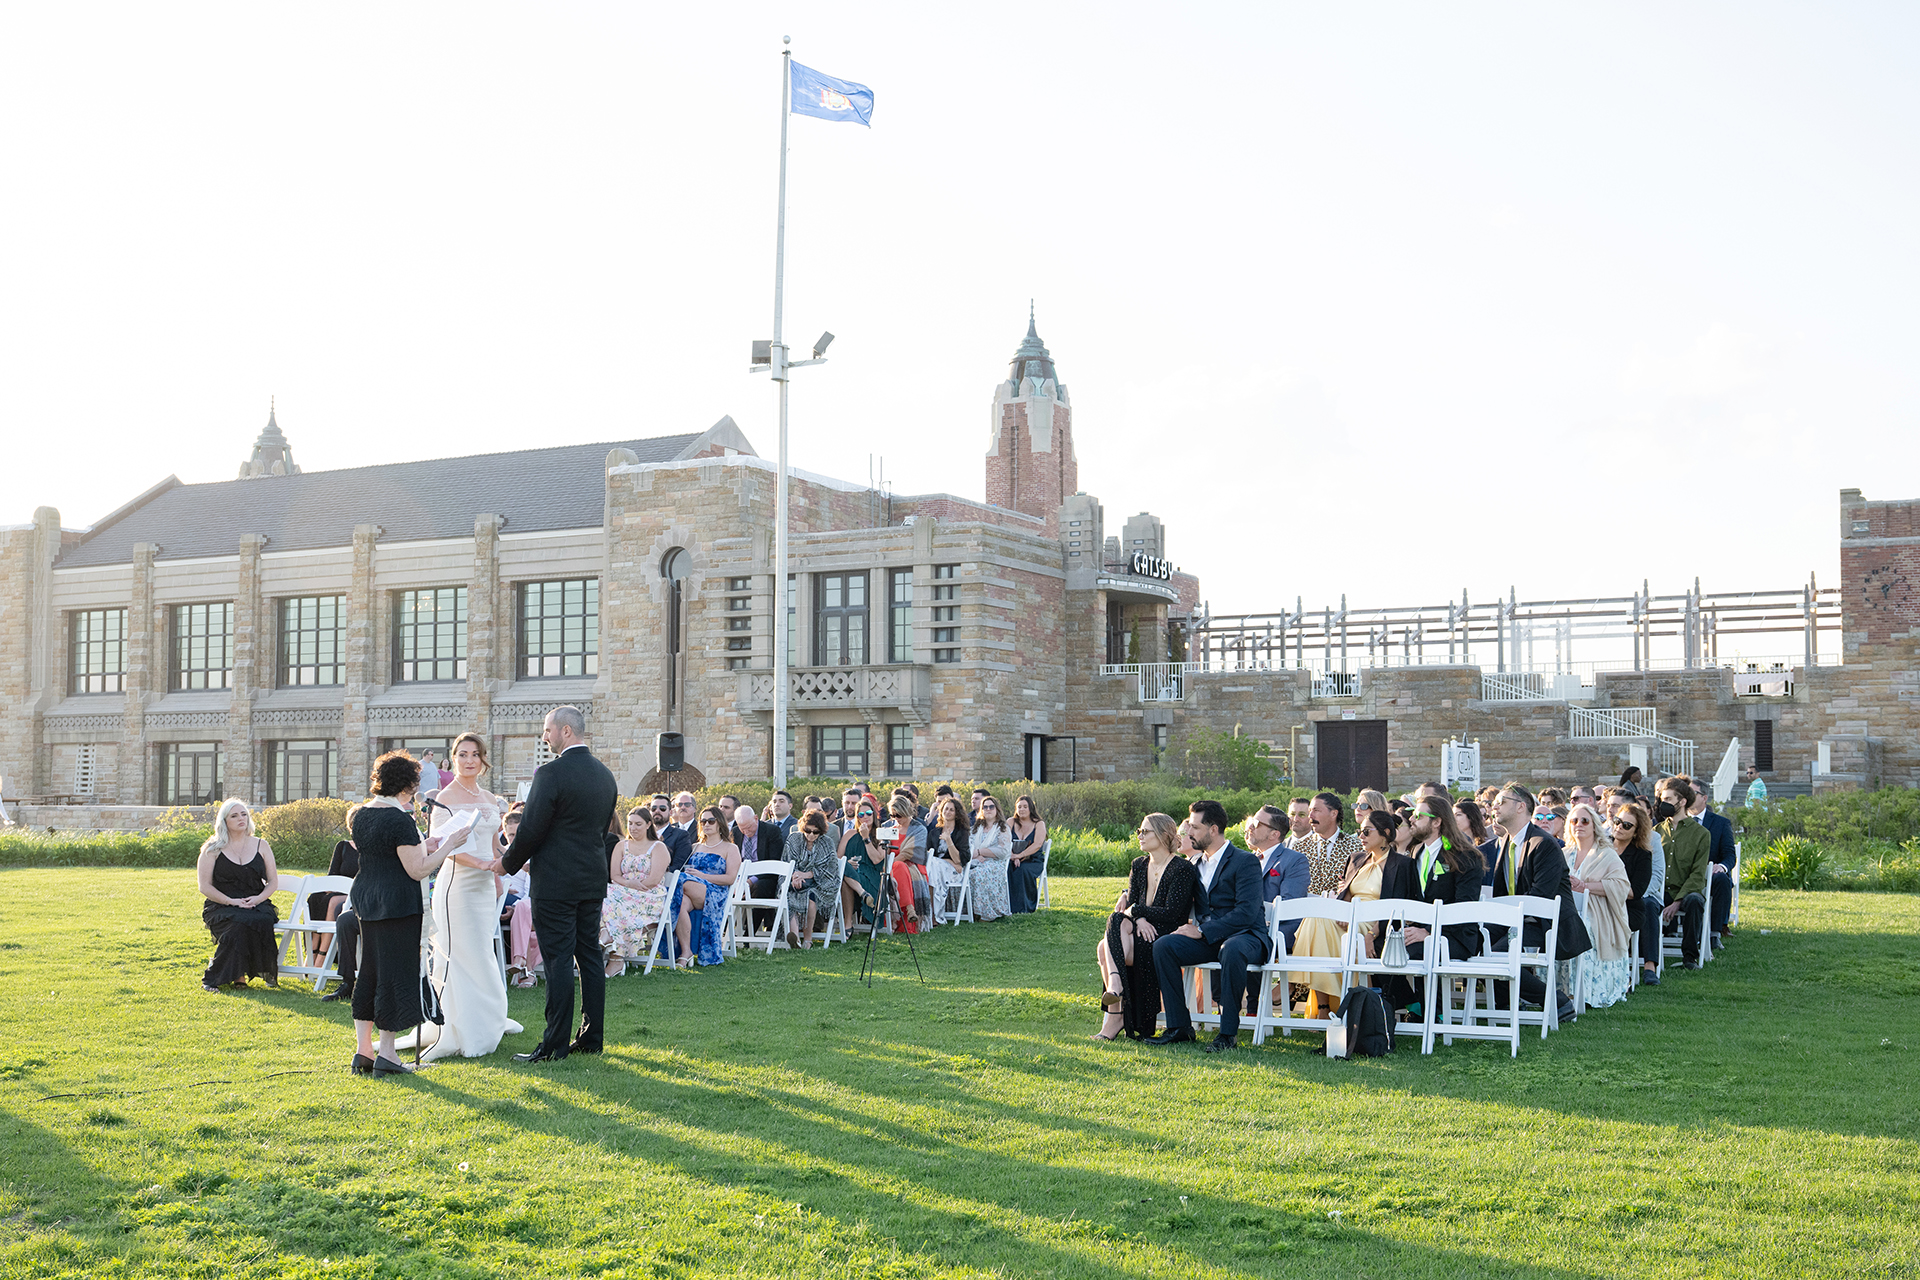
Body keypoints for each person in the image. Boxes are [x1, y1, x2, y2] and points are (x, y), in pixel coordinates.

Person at [494, 705, 618, 1063]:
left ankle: (554, 1044)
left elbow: (531, 828)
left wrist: (506, 862)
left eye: (547, 730)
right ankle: (592, 1037)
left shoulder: (550, 774)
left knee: (559, 958)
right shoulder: (605, 775)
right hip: (592, 878)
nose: (544, 736)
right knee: (590, 956)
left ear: (566, 731)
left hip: (556, 882)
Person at [413, 731, 521, 1061]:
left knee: (483, 953)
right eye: (462, 754)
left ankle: (488, 1019)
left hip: (486, 886)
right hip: (457, 886)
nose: (469, 760)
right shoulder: (444, 798)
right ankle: (458, 1026)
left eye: (474, 754)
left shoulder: (489, 799)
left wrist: (499, 872)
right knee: (461, 953)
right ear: (453, 757)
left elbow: (492, 842)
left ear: (483, 759)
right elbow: (447, 850)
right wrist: (487, 865)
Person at [348, 754, 454, 1075]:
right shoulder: (399, 819)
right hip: (397, 905)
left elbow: (389, 853)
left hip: (368, 901)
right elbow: (417, 869)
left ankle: (364, 1052)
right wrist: (449, 844)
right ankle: (389, 1055)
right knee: (393, 978)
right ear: (408, 784)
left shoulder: (363, 815)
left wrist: (426, 842)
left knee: (370, 973)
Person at [1147, 800, 1267, 1053]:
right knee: (1164, 946)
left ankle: (1227, 1034)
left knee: (1232, 949)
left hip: (1247, 938)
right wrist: (1130, 897)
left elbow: (1246, 913)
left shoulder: (1245, 862)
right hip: (1211, 941)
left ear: (1213, 830)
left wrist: (1201, 931)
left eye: (1194, 827)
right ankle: (1179, 1027)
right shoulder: (1193, 864)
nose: (1188, 833)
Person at [1485, 783, 1590, 1024]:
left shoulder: (1544, 844)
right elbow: (1501, 893)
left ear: (1521, 807)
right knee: (1475, 942)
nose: (1495, 807)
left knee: (1499, 955)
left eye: (1502, 802)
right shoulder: (1506, 843)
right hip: (1516, 918)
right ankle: (1503, 1004)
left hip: (1546, 922)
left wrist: (1509, 922)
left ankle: (1555, 999)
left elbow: (1539, 895)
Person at [1096, 813, 1198, 1042]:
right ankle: (1116, 989)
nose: (1140, 836)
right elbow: (1132, 903)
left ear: (1163, 835)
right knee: (1115, 920)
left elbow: (1172, 913)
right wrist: (1138, 918)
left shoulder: (1181, 869)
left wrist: (1137, 913)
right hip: (1139, 930)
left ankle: (1116, 1008)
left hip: (1165, 934)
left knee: (1105, 947)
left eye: (1146, 831)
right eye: (1139, 831)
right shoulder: (1139, 865)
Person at [197, 799, 282, 992]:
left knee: (259, 920)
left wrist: (258, 899)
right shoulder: (212, 849)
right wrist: (231, 901)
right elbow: (204, 886)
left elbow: (273, 882)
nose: (241, 819)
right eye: (234, 816)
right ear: (224, 821)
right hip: (222, 904)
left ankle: (239, 975)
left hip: (256, 902)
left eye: (244, 814)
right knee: (237, 925)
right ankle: (213, 978)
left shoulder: (262, 845)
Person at [1565, 801, 1633, 1008]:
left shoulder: (1607, 853)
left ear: (1594, 825)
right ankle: (1562, 991)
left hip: (1598, 913)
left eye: (1585, 821)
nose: (1580, 824)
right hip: (1568, 910)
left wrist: (1585, 886)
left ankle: (1588, 992)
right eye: (1574, 820)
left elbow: (1622, 886)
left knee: (1583, 926)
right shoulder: (1564, 854)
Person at [600, 806, 670, 976]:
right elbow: (615, 875)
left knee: (612, 897)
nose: (633, 828)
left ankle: (609, 943)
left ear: (648, 824)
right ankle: (611, 949)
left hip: (649, 894)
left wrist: (632, 885)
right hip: (623, 889)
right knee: (601, 893)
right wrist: (629, 883)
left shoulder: (658, 847)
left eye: (638, 824)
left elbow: (654, 879)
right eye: (630, 824)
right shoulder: (621, 846)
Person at [671, 805, 742, 967]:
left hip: (715, 892)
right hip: (690, 890)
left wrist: (703, 877)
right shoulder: (695, 847)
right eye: (703, 821)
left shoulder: (731, 848)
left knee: (679, 879)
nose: (706, 824)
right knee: (680, 903)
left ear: (720, 824)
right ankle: (686, 952)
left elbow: (730, 878)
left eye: (711, 821)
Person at [1658, 777, 1711, 970]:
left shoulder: (1701, 834)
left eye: (1669, 799)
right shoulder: (1655, 832)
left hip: (1686, 890)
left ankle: (1689, 957)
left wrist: (1677, 902)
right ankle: (1646, 955)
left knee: (1696, 901)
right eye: (1662, 799)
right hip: (1660, 890)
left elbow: (1698, 874)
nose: (1663, 804)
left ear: (1682, 802)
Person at [1607, 801, 1658, 987]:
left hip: (1629, 909)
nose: (1619, 827)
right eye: (1618, 821)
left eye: (1626, 825)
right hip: (1600, 905)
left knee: (1606, 921)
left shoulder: (1642, 855)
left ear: (1636, 831)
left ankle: (1620, 975)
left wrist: (1604, 887)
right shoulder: (1601, 847)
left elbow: (1635, 892)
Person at [307, 805, 360, 969]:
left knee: (333, 902)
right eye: (353, 825)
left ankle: (323, 957)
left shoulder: (371, 849)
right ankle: (312, 953)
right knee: (314, 899)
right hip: (337, 889)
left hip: (356, 892)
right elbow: (332, 875)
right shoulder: (342, 846)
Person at [1688, 783, 1738, 951]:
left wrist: (1722, 866)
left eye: (1692, 793)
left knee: (1722, 879)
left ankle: (1714, 934)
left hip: (1710, 872)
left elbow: (1730, 855)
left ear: (1704, 797)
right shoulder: (1677, 822)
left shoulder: (1720, 823)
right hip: (1683, 874)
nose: (1687, 796)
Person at [497, 806, 542, 989]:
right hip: (500, 901)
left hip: (526, 905)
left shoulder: (534, 855)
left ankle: (521, 964)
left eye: (517, 834)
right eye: (510, 835)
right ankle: (524, 968)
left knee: (523, 907)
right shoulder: (502, 854)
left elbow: (531, 892)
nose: (513, 839)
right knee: (520, 907)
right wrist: (501, 890)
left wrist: (515, 906)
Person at [783, 810, 840, 948]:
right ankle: (795, 937)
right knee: (787, 894)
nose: (811, 835)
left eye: (815, 832)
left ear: (821, 831)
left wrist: (807, 874)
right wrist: (795, 876)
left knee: (810, 897)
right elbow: (787, 862)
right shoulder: (794, 839)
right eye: (808, 831)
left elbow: (831, 869)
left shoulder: (827, 843)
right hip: (794, 878)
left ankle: (808, 939)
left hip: (822, 882)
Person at [839, 800, 892, 931]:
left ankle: (847, 925)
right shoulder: (849, 834)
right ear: (857, 817)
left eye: (868, 813)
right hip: (852, 873)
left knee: (845, 879)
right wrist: (847, 863)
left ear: (874, 815)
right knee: (844, 866)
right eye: (861, 814)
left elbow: (877, 860)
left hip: (873, 876)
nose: (865, 816)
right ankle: (862, 894)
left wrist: (866, 838)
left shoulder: (881, 834)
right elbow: (837, 858)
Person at [1300, 792, 1363, 895]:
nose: (1310, 816)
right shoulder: (1300, 847)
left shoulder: (1356, 846)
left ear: (1334, 814)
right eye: (1310, 811)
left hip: (1340, 908)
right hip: (1306, 908)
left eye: (1316, 810)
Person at [926, 796, 971, 924]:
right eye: (946, 809)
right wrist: (949, 861)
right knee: (932, 868)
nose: (948, 812)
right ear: (941, 811)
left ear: (957, 813)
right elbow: (928, 856)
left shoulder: (961, 832)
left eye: (952, 810)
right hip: (935, 870)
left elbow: (959, 860)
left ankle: (934, 915)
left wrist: (948, 840)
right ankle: (932, 913)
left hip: (954, 872)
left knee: (933, 867)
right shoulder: (934, 833)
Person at [968, 796, 1014, 921]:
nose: (988, 809)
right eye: (985, 807)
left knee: (978, 874)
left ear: (997, 809)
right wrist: (975, 856)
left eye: (991, 806)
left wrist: (979, 852)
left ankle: (985, 913)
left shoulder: (1003, 828)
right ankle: (969, 911)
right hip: (975, 861)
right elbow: (968, 847)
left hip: (995, 863)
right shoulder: (975, 829)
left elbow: (1003, 851)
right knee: (963, 873)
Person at [1006, 794, 1048, 913]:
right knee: (1007, 868)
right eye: (1019, 807)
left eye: (1025, 806)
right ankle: (1006, 906)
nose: (1022, 809)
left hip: (1033, 860)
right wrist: (1012, 856)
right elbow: (1003, 841)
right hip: (1011, 858)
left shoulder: (1039, 824)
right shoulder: (1010, 822)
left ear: (1031, 808)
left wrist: (1020, 856)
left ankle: (1025, 907)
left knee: (1022, 869)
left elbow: (1037, 844)